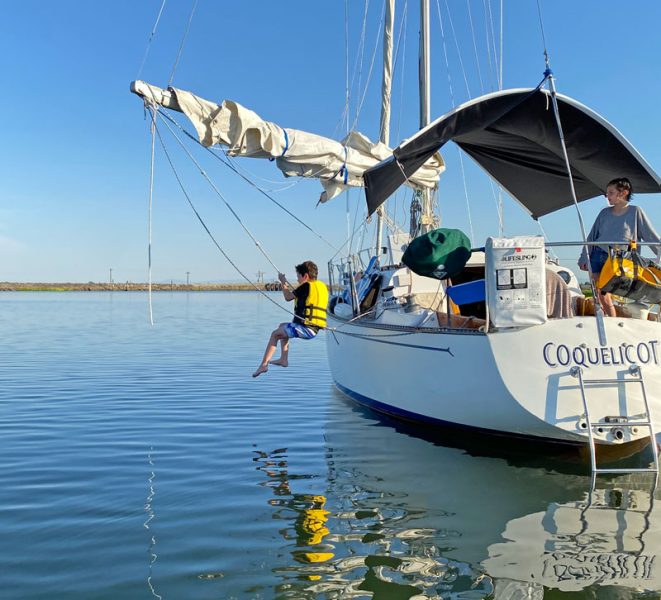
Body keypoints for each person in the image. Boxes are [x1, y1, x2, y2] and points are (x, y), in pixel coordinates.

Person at [578, 177, 660, 316]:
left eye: (610, 192)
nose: (607, 196)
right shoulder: (604, 213)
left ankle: (611, 320)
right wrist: (583, 258)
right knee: (601, 293)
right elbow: (592, 237)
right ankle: (608, 320)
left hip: (619, 259)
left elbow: (650, 235)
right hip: (597, 255)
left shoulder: (635, 211)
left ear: (623, 193)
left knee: (610, 290)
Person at [252, 261, 329, 378]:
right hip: (313, 328)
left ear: (306, 276)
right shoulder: (322, 286)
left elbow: (288, 297)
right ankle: (283, 359)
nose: (297, 280)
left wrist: (283, 282)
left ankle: (264, 365)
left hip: (307, 329)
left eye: (298, 276)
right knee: (282, 326)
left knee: (275, 334)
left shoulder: (306, 286)